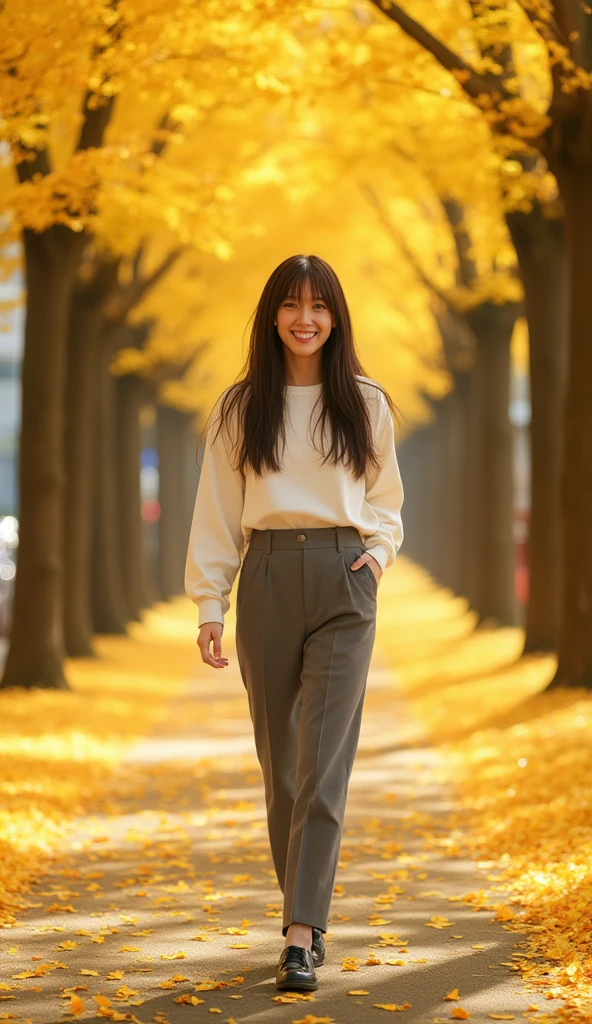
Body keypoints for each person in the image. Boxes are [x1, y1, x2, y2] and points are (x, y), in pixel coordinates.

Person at [185, 254, 404, 992]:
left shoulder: (366, 402)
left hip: (345, 581)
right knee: (280, 768)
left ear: (336, 317)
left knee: (322, 766)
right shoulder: (239, 407)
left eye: (319, 305)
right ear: (272, 315)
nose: (305, 317)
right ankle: (301, 911)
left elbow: (387, 502)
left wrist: (375, 558)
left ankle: (301, 934)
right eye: (291, 303)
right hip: (269, 575)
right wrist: (210, 602)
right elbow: (215, 510)